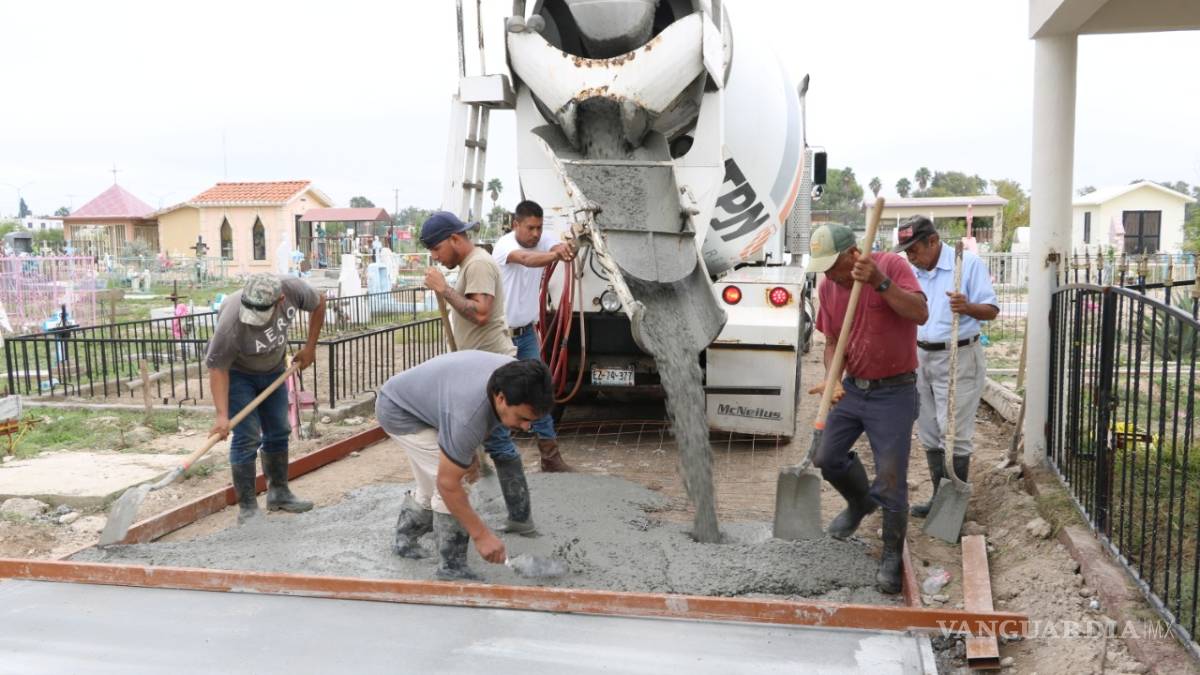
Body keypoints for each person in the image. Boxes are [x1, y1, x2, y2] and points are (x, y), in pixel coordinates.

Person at [806, 223, 928, 594]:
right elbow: (831, 342)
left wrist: (880, 282)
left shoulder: (891, 266)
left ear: (853, 254)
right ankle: (860, 503)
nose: (827, 273)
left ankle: (891, 553)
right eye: (822, 266)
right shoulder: (828, 287)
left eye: (832, 264)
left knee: (891, 478)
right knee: (825, 456)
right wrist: (832, 379)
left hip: (894, 391)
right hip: (854, 388)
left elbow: (920, 313)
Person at [376, 352, 553, 580]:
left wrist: (468, 453)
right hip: (401, 412)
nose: (527, 427)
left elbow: (474, 421)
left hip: (425, 402)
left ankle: (404, 541)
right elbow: (448, 484)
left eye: (532, 421)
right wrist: (481, 535)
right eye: (522, 418)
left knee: (432, 482)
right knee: (452, 484)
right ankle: (452, 569)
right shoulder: (468, 416)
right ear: (500, 398)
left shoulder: (518, 379)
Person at [419, 211, 538, 535]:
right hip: (479, 368)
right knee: (478, 441)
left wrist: (444, 290)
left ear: (455, 239)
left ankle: (520, 518)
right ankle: (481, 494)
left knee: (497, 442)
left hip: (492, 370)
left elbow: (481, 313)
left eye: (437, 248)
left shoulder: (479, 264)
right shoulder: (470, 265)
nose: (435, 256)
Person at [894, 216, 999, 520]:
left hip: (958, 356)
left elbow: (991, 310)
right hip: (920, 357)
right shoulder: (913, 271)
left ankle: (952, 508)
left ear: (933, 241)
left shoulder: (967, 265)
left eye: (914, 249)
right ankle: (939, 497)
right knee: (929, 429)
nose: (910, 256)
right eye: (906, 251)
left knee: (953, 432)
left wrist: (967, 307)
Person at [204, 273, 326, 524]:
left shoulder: (294, 290)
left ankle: (279, 493)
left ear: (280, 300)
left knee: (279, 430)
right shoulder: (231, 319)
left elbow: (320, 302)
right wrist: (222, 416)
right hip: (239, 376)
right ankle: (247, 508)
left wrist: (310, 347)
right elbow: (217, 368)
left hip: (274, 371)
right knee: (247, 435)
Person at [490, 200, 575, 472]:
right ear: (516, 225)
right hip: (501, 336)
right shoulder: (505, 246)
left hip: (526, 334)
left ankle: (550, 457)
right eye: (530, 228)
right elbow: (527, 260)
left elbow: (553, 245)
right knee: (499, 395)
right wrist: (556, 256)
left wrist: (562, 247)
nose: (536, 234)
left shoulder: (541, 239)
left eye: (539, 228)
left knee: (540, 391)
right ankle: (502, 459)